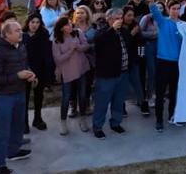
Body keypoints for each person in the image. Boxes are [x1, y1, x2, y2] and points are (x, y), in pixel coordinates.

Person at [0, 20, 34, 174]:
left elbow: (24, 65)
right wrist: (17, 76)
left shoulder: (20, 47)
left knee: (18, 125)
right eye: (17, 31)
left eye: (20, 30)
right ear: (7, 34)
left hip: (19, 92)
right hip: (4, 97)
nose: (21, 33)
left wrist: (30, 74)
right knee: (2, 130)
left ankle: (13, 151)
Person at [145, 0, 183, 132]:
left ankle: (172, 116)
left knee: (173, 93)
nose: (176, 11)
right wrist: (151, 2)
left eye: (178, 8)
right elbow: (155, 13)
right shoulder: (163, 22)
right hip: (162, 62)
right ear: (168, 9)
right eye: (173, 8)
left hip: (177, 64)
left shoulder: (183, 26)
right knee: (160, 94)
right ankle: (159, 120)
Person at [91, 8, 130, 139]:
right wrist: (112, 29)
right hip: (107, 75)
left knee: (119, 101)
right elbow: (99, 41)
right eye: (116, 18)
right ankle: (97, 127)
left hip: (123, 73)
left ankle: (115, 123)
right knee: (102, 102)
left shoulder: (124, 31)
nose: (120, 20)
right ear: (109, 19)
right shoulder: (101, 32)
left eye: (121, 18)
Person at [52, 16, 91, 135]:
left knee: (83, 95)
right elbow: (58, 59)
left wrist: (78, 47)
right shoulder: (57, 41)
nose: (70, 26)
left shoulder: (78, 33)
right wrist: (70, 50)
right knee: (66, 98)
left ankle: (83, 119)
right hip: (68, 73)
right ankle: (63, 122)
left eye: (70, 23)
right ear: (61, 28)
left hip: (82, 69)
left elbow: (86, 46)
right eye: (67, 25)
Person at [22, 13, 51, 133]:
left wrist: (47, 72)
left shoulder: (43, 35)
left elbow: (46, 54)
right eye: (32, 22)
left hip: (39, 70)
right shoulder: (22, 36)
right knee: (25, 97)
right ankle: (24, 122)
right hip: (25, 70)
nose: (35, 25)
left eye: (37, 22)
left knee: (39, 96)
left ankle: (37, 119)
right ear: (28, 22)